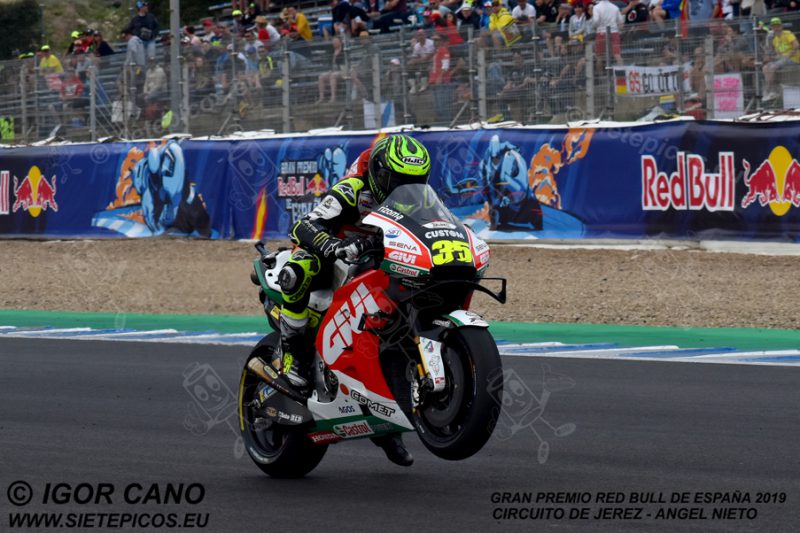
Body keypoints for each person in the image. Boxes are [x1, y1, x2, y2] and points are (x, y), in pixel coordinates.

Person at [277, 134, 432, 466]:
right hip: (334, 260)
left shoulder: (419, 201)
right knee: (299, 267)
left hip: (374, 270)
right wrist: (332, 246)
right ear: (378, 172)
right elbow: (303, 225)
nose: (402, 189)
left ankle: (390, 421)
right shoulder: (353, 189)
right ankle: (294, 359)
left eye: (412, 182)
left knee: (398, 321)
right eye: (397, 180)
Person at [763, 17, 800, 102]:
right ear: (772, 28)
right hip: (783, 60)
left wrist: (788, 55)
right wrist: (772, 58)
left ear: (781, 26)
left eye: (777, 26)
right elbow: (779, 55)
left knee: (772, 67)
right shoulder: (775, 40)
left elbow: (797, 46)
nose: (776, 28)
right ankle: (772, 90)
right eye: (774, 26)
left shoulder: (787, 33)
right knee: (765, 67)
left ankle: (771, 90)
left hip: (794, 58)